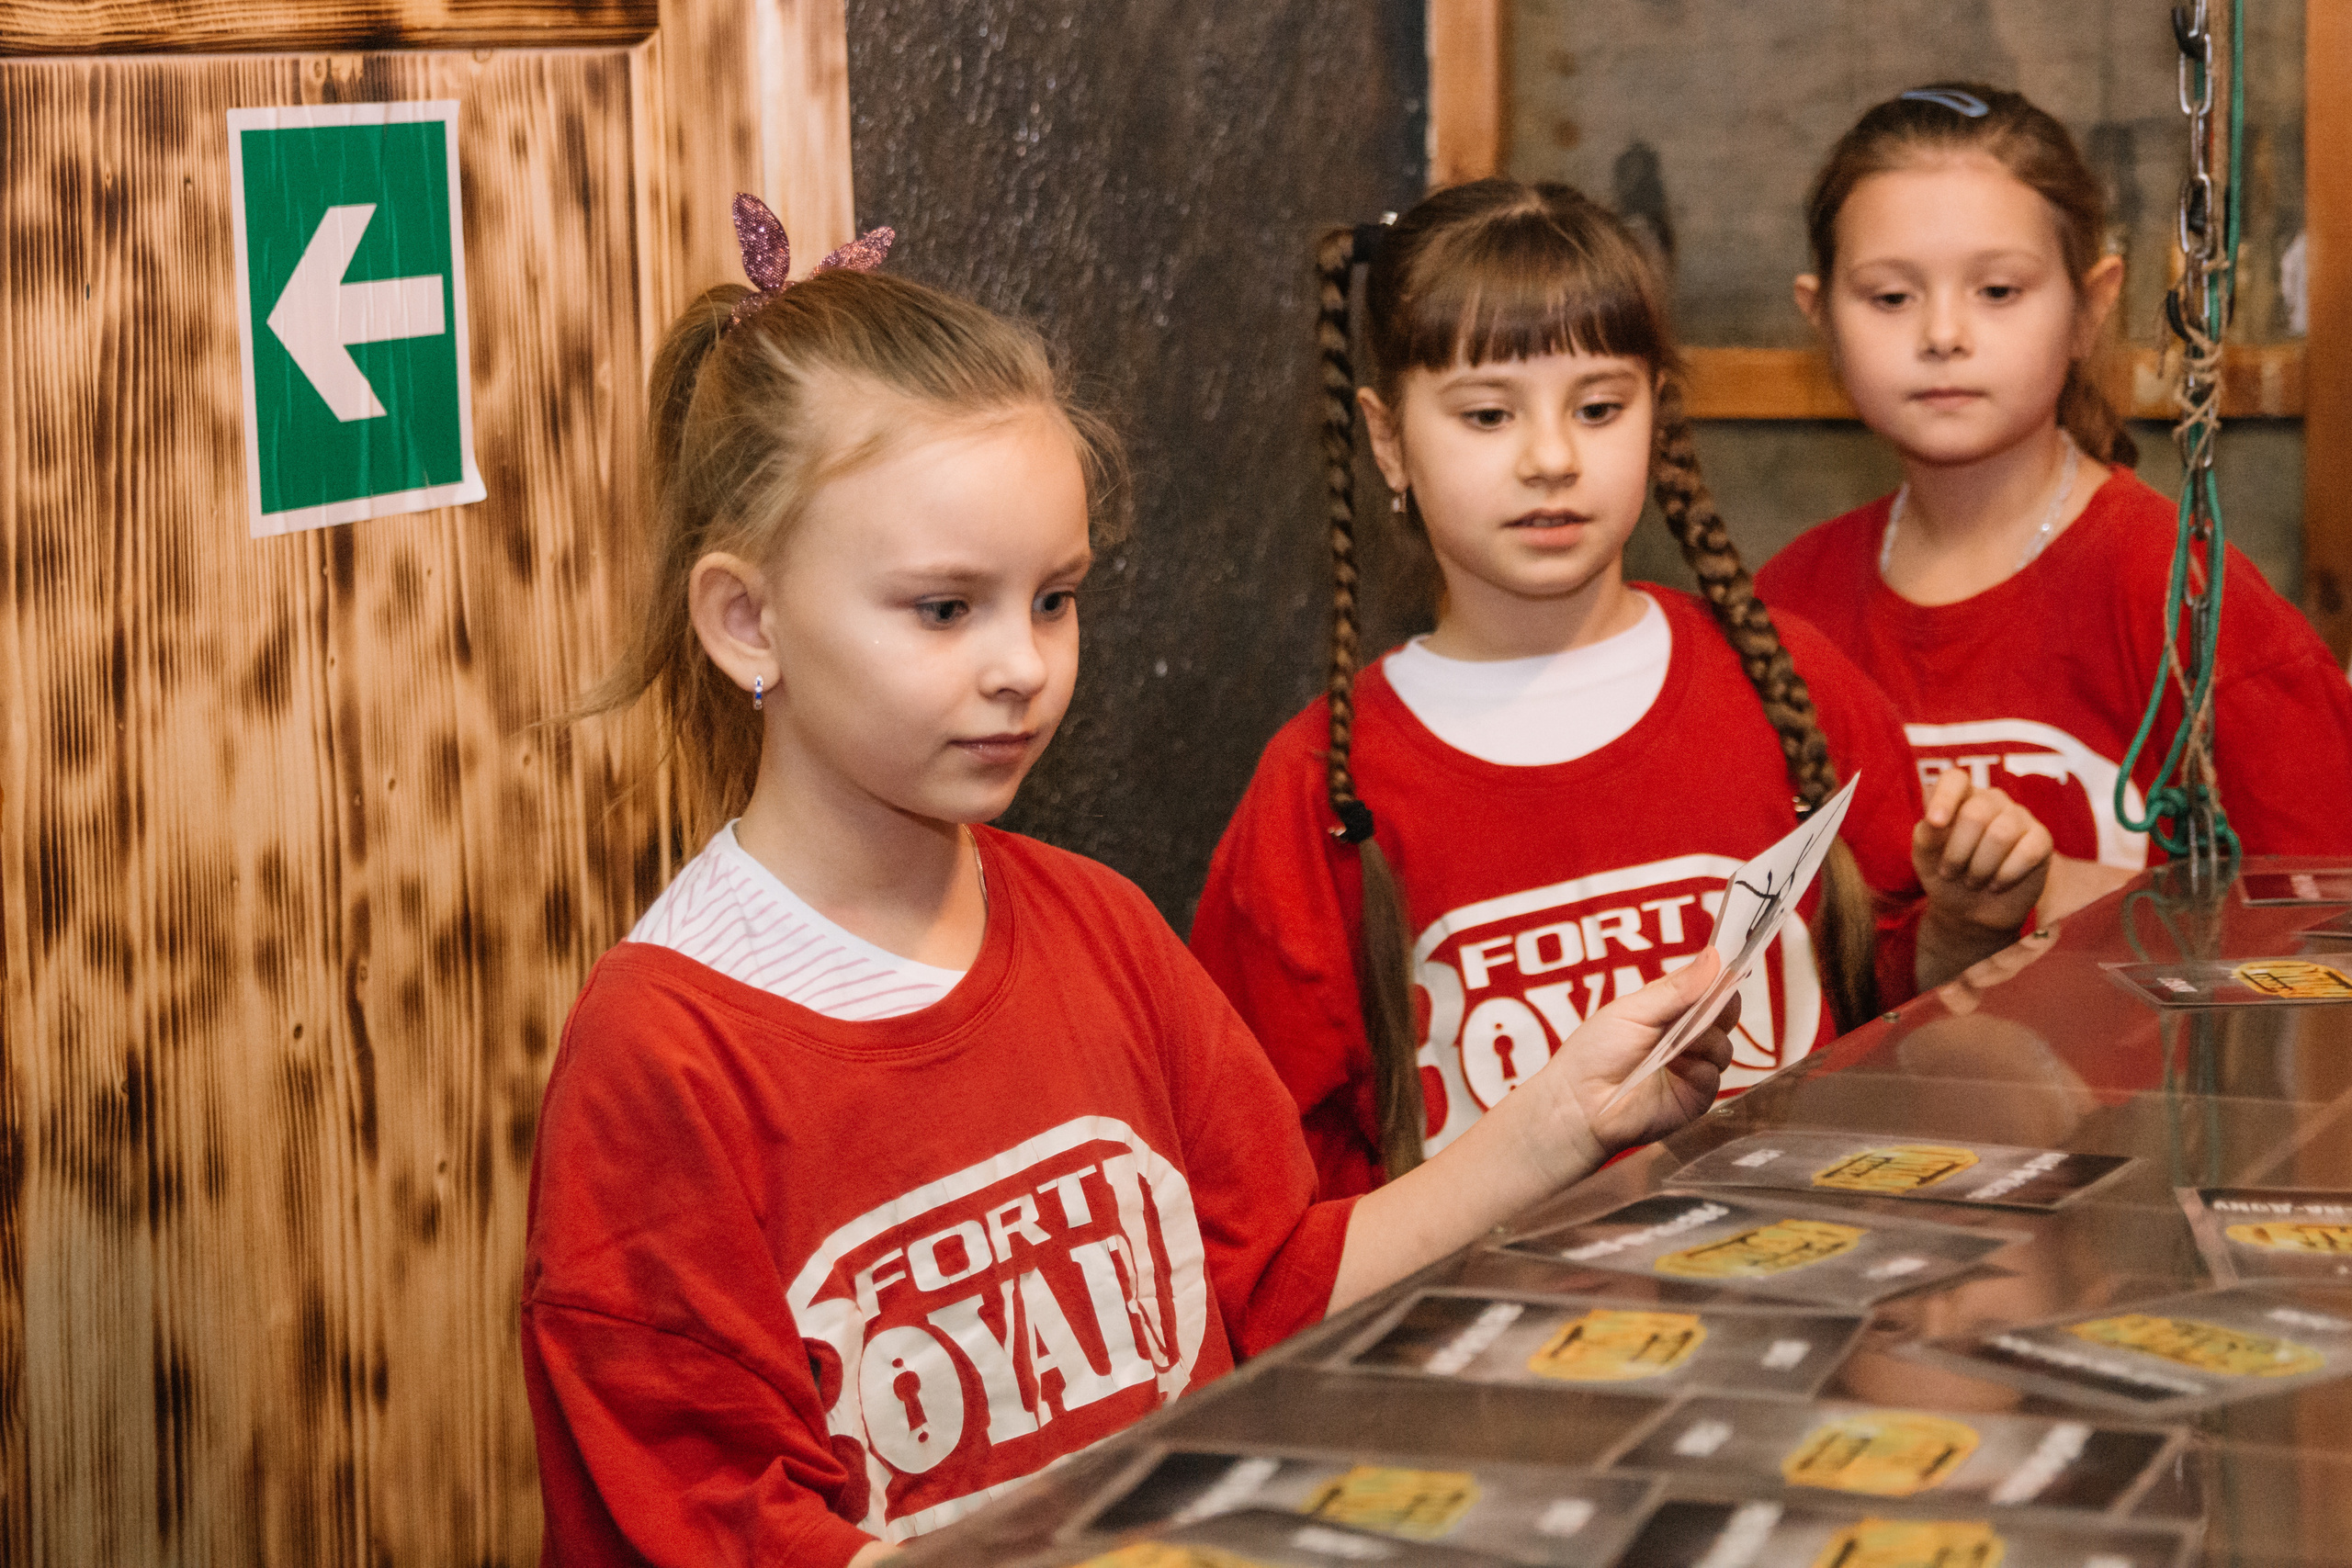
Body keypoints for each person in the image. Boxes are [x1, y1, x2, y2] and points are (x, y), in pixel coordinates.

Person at [517, 197, 1739, 1567]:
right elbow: (721, 1522)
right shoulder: (664, 1055)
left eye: (1054, 597)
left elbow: (1275, 1283)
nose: (1022, 665)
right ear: (748, 620)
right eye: (943, 607)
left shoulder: (1099, 924)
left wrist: (1564, 1115)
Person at [1191, 179, 2052, 1201]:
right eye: (1485, 414)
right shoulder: (1321, 788)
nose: (1551, 458)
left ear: (1655, 410)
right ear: (1388, 440)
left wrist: (1967, 922)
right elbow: (1263, 1182)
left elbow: (1891, 1003)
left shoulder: (1789, 684)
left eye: (1598, 408)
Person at [1757, 84, 2352, 919]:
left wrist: (2067, 894)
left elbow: (2325, 917)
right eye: (1891, 297)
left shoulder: (2184, 596)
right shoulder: (1789, 604)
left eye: (1998, 291)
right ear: (1821, 318)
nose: (1943, 334)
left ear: (2091, 305)